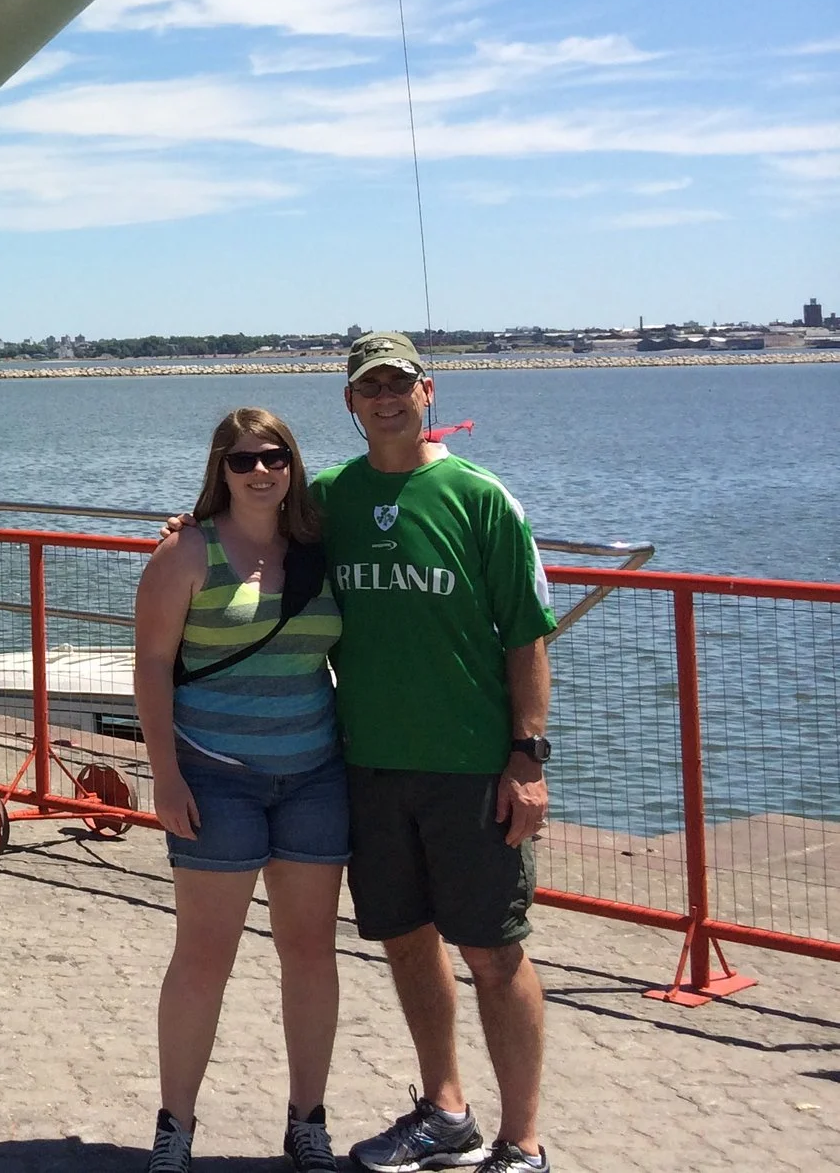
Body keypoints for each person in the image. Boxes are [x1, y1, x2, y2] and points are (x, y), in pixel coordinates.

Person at [321, 333, 558, 1173]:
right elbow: (240, 523)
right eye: (368, 387)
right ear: (349, 402)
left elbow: (528, 634)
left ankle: (523, 1140)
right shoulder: (325, 498)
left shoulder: (478, 496)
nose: (384, 398)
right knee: (405, 936)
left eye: (398, 383)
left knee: (494, 951)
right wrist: (185, 528)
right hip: (370, 764)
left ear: (428, 390)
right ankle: (443, 1111)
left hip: (470, 766)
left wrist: (526, 757)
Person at [134, 407, 346, 1173]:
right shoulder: (186, 552)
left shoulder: (319, 549)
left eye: (276, 456)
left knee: (311, 953)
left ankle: (308, 1121)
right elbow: (152, 665)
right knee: (203, 957)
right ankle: (176, 1127)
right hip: (215, 780)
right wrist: (164, 776)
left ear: (293, 464)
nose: (262, 471)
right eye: (245, 459)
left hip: (314, 776)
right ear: (219, 468)